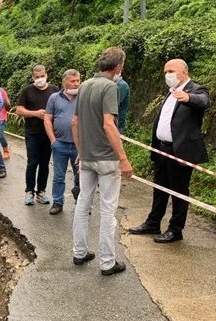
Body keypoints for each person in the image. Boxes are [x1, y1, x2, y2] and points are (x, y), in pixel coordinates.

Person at [128, 59, 210, 243]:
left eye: (171, 71)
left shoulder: (197, 89)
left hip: (180, 150)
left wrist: (188, 98)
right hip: (162, 148)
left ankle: (175, 229)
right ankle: (153, 222)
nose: (167, 75)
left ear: (183, 72)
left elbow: (204, 102)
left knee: (179, 191)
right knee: (159, 188)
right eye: (165, 72)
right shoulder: (170, 92)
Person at [72, 47, 133, 276]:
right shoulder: (110, 87)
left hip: (86, 157)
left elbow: (75, 122)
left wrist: (80, 150)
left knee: (83, 204)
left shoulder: (85, 85)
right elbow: (109, 124)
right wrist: (123, 158)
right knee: (107, 209)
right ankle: (107, 262)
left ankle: (79, 252)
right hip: (107, 159)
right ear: (118, 67)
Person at [16, 65, 59, 205]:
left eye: (42, 76)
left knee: (45, 164)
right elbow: (19, 110)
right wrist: (35, 113)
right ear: (33, 77)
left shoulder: (54, 90)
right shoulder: (27, 91)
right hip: (32, 133)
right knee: (32, 162)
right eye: (37, 77)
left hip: (49, 133)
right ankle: (29, 191)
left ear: (46, 74)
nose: (40, 79)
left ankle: (41, 192)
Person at [44, 69, 81, 215]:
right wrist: (53, 140)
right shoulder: (54, 98)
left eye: (78, 80)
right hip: (60, 144)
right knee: (59, 176)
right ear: (64, 81)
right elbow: (47, 119)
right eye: (72, 81)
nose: (76, 84)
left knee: (81, 176)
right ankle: (58, 202)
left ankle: (82, 204)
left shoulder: (83, 97)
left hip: (79, 146)